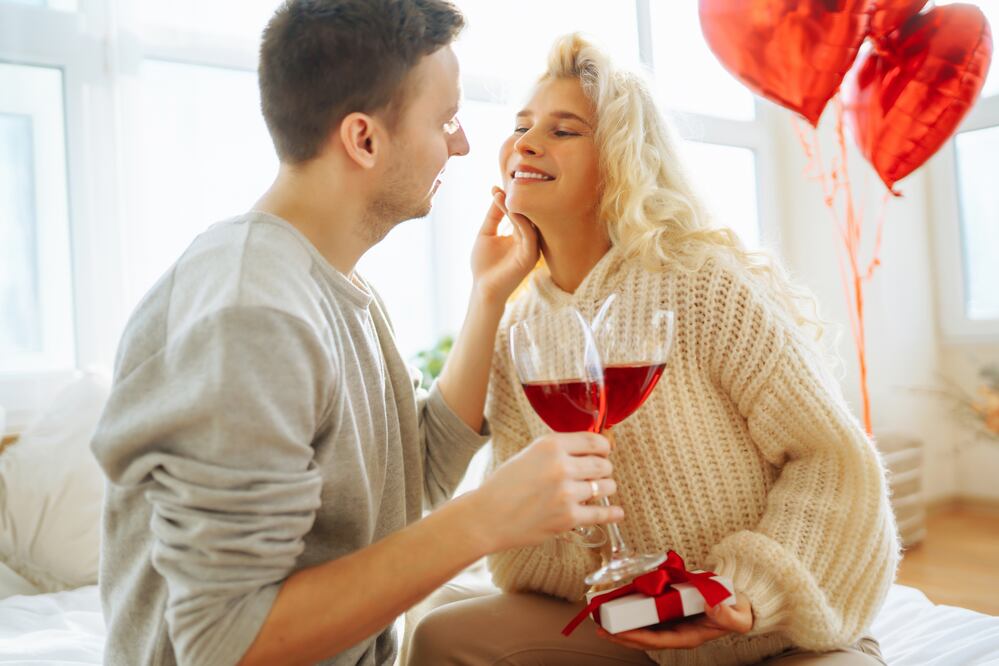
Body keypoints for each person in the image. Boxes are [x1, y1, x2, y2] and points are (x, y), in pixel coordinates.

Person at [89, 4, 625, 666]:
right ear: (363, 139)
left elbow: (411, 475)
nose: (460, 145)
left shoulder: (336, 289)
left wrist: (488, 297)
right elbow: (226, 640)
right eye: (444, 120)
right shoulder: (251, 312)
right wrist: (486, 518)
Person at [408, 34, 898, 665]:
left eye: (564, 131)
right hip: (631, 635)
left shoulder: (702, 282)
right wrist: (487, 294)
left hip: (769, 635)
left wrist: (744, 593)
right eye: (522, 125)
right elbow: (522, 556)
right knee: (436, 632)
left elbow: (834, 463)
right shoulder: (519, 324)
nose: (525, 143)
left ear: (618, 158)